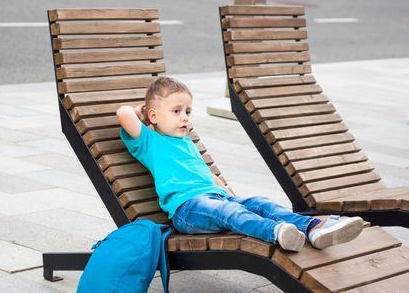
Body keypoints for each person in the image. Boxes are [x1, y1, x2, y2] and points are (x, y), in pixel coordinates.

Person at [116, 76, 364, 251]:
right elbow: (123, 113)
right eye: (176, 111)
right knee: (231, 213)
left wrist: (223, 187)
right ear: (153, 115)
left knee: (259, 202)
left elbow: (203, 170)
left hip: (215, 199)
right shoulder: (149, 142)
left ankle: (312, 227)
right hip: (188, 210)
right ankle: (276, 231)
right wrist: (143, 110)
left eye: (188, 112)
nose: (184, 118)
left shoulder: (186, 142)